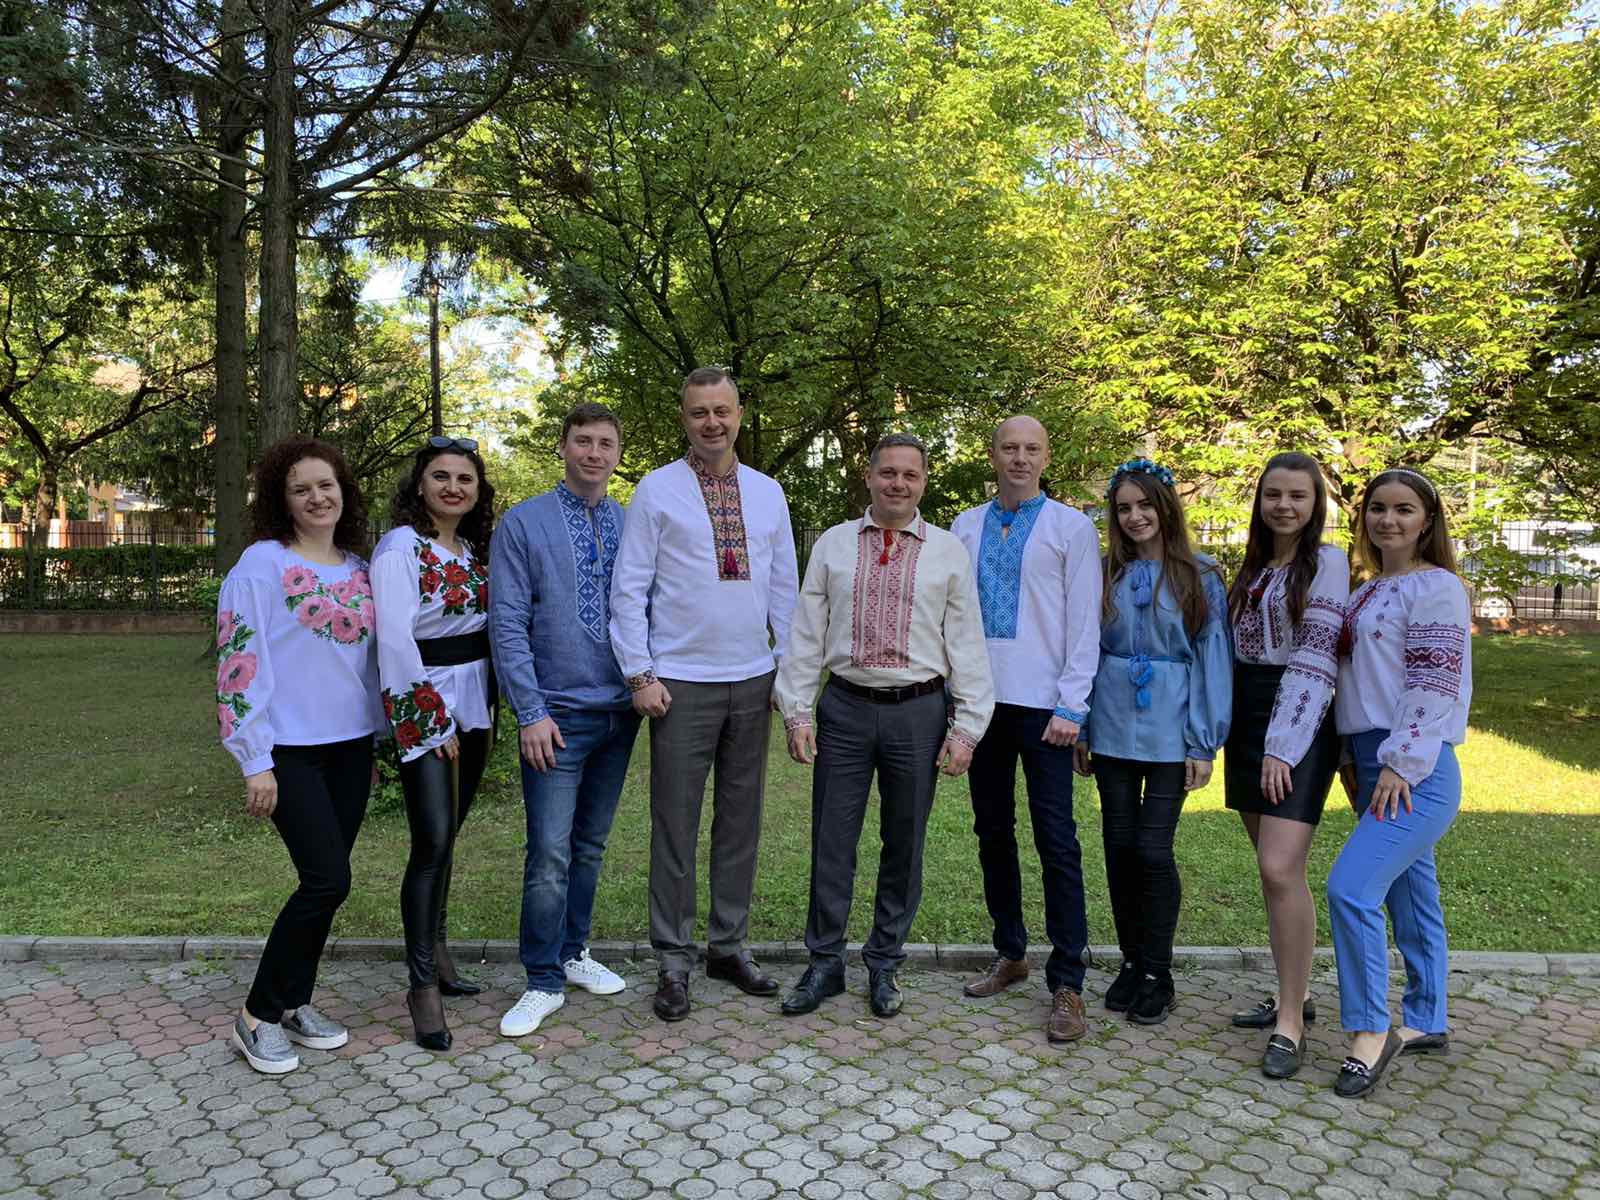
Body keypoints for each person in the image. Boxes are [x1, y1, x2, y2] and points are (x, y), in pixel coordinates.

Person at [775, 433, 994, 1019]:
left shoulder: (947, 551)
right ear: (870, 477)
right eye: (888, 473)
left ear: (923, 483)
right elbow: (805, 633)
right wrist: (797, 710)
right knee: (832, 840)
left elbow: (966, 641)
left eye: (910, 475)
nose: (898, 483)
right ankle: (825, 962)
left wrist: (967, 726)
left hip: (919, 712)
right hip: (845, 709)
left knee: (905, 841)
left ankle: (884, 962)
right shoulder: (833, 543)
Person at [609, 366, 800, 1022]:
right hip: (680, 684)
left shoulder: (768, 492)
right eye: (699, 412)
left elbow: (785, 591)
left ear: (739, 414)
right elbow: (629, 587)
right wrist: (640, 674)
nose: (712, 422)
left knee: (740, 822)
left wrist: (786, 672)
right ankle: (673, 959)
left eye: (722, 410)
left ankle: (728, 945)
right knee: (675, 824)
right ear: (684, 418)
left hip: (751, 679)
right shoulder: (657, 490)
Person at [217, 436, 385, 1075]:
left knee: (327, 884)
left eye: (326, 485)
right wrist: (254, 760)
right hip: (289, 752)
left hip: (350, 749)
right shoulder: (261, 565)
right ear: (281, 500)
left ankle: (294, 1002)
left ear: (344, 491)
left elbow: (369, 666)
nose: (317, 497)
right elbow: (239, 661)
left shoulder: (359, 568)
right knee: (326, 880)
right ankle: (256, 1016)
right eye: (301, 489)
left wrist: (376, 738)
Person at [491, 403, 641, 1038]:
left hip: (619, 715)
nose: (594, 453)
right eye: (583, 440)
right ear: (563, 446)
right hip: (555, 717)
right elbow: (507, 623)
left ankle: (574, 952)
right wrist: (530, 711)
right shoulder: (523, 523)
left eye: (606, 443)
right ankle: (541, 980)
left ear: (617, 454)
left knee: (589, 845)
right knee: (549, 852)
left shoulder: (631, 522)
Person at [950, 416, 1101, 1044]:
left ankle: (1068, 981)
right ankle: (1010, 952)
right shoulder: (964, 526)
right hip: (982, 703)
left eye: (1031, 448)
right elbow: (951, 616)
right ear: (992, 454)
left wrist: (1072, 705)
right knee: (992, 833)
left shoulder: (1071, 527)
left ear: (1046, 456)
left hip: (1046, 709)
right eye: (1009, 447)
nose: (1019, 458)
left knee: (1056, 839)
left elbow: (1085, 620)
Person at [1327, 466, 1471, 1097]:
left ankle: (1370, 1031)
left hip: (1414, 764)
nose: (1388, 520)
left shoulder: (1436, 587)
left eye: (1404, 509)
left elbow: (1433, 683)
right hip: (1368, 758)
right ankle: (1428, 1016)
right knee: (1412, 892)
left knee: (1351, 888)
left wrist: (1400, 762)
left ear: (1427, 520)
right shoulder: (1364, 592)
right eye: (1378, 508)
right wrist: (1349, 756)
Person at [1073, 458, 1231, 1026]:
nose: (1135, 516)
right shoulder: (1104, 573)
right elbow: (1084, 650)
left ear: (1165, 507)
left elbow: (1213, 656)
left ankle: (1157, 972)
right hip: (1112, 724)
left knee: (1152, 850)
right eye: (1123, 508)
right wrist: (1082, 725)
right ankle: (1131, 960)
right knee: (1118, 846)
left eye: (1144, 505)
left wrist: (1203, 742)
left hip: (1171, 729)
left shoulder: (1200, 575)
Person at [1223, 452, 1348, 1079]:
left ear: (1315, 503)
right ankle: (1291, 993)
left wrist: (1283, 745)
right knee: (1274, 874)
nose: (1284, 506)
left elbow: (1317, 658)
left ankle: (1292, 1023)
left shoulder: (1328, 562)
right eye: (1273, 494)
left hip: (1298, 720)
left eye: (1298, 495)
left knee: (1280, 867)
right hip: (1246, 717)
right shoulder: (1251, 566)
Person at [371, 436, 496, 1051]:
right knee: (432, 842)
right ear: (419, 485)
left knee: (451, 836)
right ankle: (421, 984)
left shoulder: (471, 549)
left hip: (476, 701)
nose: (453, 487)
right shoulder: (401, 548)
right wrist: (429, 719)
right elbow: (395, 639)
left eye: (464, 479)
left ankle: (440, 953)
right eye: (441, 477)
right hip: (427, 705)